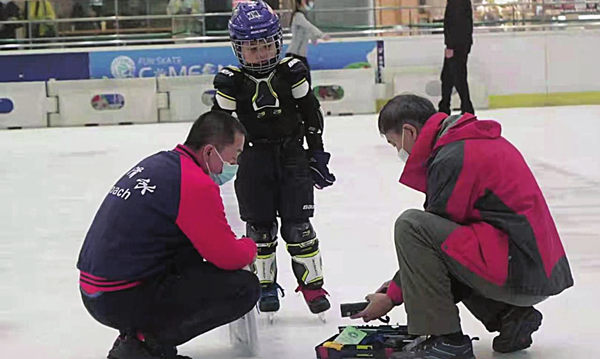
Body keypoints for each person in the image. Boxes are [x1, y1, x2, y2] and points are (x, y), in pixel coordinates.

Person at [351, 94, 573, 358]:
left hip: (520, 272)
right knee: (450, 242)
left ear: (409, 132)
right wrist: (394, 288)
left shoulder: (455, 156)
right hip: (530, 268)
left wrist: (392, 296)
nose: (397, 151)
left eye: (394, 143)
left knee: (411, 225)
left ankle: (446, 339)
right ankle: (509, 317)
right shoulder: (466, 143)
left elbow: (435, 244)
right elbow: (453, 242)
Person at [77, 111, 260, 359]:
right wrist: (250, 246)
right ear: (209, 152)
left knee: (190, 249)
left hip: (95, 290)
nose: (235, 164)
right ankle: (144, 345)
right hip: (119, 296)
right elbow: (227, 256)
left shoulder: (161, 163)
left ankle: (137, 338)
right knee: (243, 288)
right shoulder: (195, 183)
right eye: (235, 155)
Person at [212, 0, 336, 316]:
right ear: (238, 49)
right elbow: (220, 126)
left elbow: (311, 114)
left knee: (299, 228)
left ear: (277, 42)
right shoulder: (230, 82)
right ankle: (263, 287)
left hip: (292, 157)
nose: (261, 54)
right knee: (260, 230)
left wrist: (318, 154)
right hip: (253, 161)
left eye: (266, 45)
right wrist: (215, 162)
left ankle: (313, 287)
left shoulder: (292, 73)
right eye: (252, 48)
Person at [439, 0, 474, 115]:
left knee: (458, 78)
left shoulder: (457, 2)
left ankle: (466, 108)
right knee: (447, 77)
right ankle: (445, 107)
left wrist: (450, 46)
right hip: (460, 44)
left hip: (457, 46)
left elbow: (456, 23)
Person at [286, 0, 329, 84]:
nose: (309, 3)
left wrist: (314, 38)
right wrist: (322, 35)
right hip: (294, 55)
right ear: (299, 3)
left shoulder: (303, 16)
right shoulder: (298, 16)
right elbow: (309, 26)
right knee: (301, 81)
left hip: (300, 55)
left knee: (306, 81)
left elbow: (306, 31)